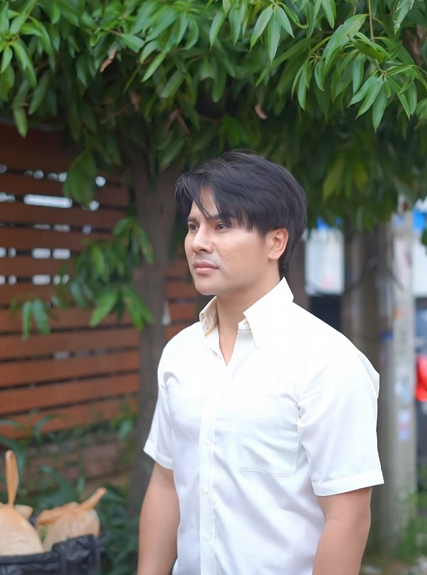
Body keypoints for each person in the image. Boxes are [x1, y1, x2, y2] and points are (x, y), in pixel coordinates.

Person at [137, 152, 384, 575]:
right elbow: (165, 483)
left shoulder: (327, 361)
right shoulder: (180, 353)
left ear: (276, 242)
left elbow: (348, 518)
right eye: (194, 226)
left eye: (221, 226)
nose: (198, 242)